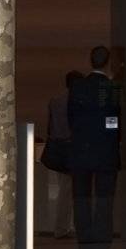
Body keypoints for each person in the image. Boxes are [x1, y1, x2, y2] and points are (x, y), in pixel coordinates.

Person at [67, 45, 121, 249]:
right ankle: (100, 248)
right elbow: (115, 119)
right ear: (108, 62)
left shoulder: (77, 87)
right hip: (106, 152)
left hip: (80, 152)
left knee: (81, 200)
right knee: (104, 201)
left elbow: (72, 119)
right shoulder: (111, 87)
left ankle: (84, 247)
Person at [45, 71, 82, 239]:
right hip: (73, 149)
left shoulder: (55, 101)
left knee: (64, 190)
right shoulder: (79, 103)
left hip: (58, 149)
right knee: (70, 191)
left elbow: (50, 128)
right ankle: (64, 228)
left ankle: (63, 227)